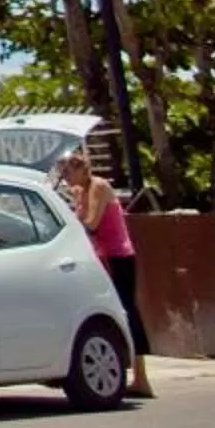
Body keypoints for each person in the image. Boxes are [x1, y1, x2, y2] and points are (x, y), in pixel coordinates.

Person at [59, 149, 153, 397]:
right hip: (101, 256)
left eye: (68, 171)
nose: (65, 177)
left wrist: (73, 214)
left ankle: (142, 376)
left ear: (81, 169)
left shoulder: (98, 186)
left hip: (118, 255)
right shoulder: (80, 191)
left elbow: (91, 223)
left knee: (127, 309)